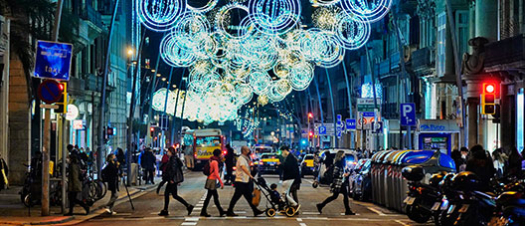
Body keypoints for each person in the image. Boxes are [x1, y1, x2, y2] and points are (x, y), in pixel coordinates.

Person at [227, 146, 264, 217]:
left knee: (249, 197)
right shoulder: (241, 159)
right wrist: (250, 175)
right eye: (247, 150)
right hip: (241, 181)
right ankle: (230, 210)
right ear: (244, 151)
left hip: (245, 181)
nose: (249, 151)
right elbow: (243, 167)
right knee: (236, 197)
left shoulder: (246, 158)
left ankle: (255, 210)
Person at [316, 150, 355, 215]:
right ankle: (321, 205)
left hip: (340, 182)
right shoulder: (338, 163)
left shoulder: (341, 163)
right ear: (340, 155)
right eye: (343, 154)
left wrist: (346, 173)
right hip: (338, 182)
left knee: (338, 196)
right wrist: (343, 175)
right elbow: (335, 173)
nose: (344, 156)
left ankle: (321, 205)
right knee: (339, 196)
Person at [158, 147, 193, 216]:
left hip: (172, 180)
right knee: (172, 195)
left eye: (168, 151)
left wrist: (171, 179)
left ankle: (188, 206)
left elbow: (173, 170)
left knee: (171, 194)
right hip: (172, 179)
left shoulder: (173, 159)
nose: (167, 153)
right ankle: (188, 206)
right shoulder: (173, 158)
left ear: (171, 152)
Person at [201, 149, 226, 217]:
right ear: (218, 155)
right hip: (211, 180)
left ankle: (220, 211)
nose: (222, 155)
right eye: (221, 154)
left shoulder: (212, 160)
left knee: (213, 197)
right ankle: (204, 211)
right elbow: (216, 173)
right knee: (211, 197)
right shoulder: (215, 162)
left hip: (211, 180)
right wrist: (221, 182)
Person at [279, 146, 301, 212]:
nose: (282, 153)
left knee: (286, 193)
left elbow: (288, 168)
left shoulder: (290, 158)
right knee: (293, 193)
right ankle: (293, 208)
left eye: (282, 151)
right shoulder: (289, 157)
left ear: (285, 150)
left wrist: (280, 165)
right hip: (293, 178)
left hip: (292, 179)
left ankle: (294, 206)